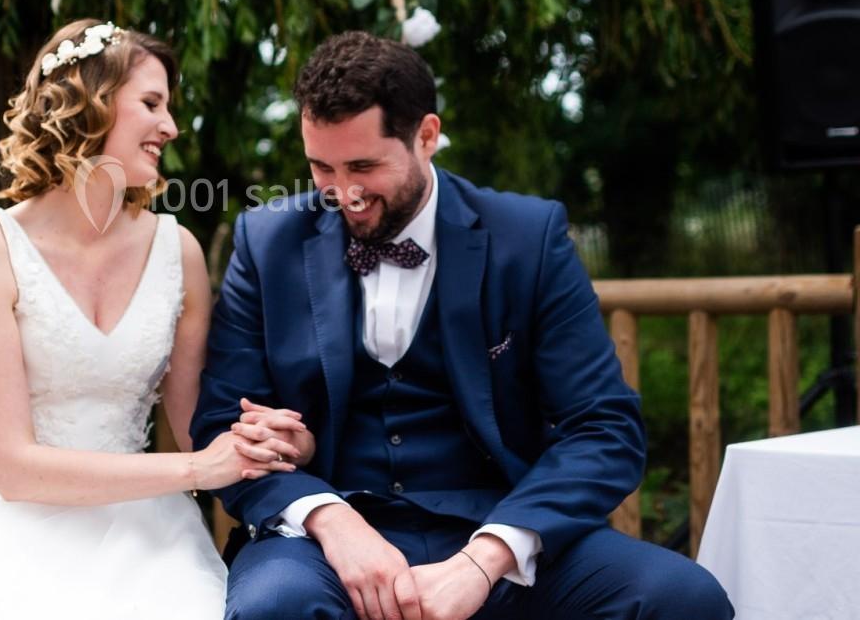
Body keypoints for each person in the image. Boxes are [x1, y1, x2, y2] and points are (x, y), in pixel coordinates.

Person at [191, 31, 734, 620]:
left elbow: (604, 428)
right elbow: (221, 423)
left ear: (426, 136)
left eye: (364, 166)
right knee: (275, 607)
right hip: (325, 538)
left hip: (500, 523)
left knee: (684, 599)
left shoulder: (527, 238)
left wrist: (489, 556)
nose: (340, 192)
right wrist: (330, 518)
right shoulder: (267, 241)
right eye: (321, 166)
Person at [0, 19, 311, 619]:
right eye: (152, 103)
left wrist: (269, 441)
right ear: (90, 101)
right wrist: (195, 468)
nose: (171, 127)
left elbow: (195, 426)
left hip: (145, 533)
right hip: (5, 526)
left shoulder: (177, 250)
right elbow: (9, 468)